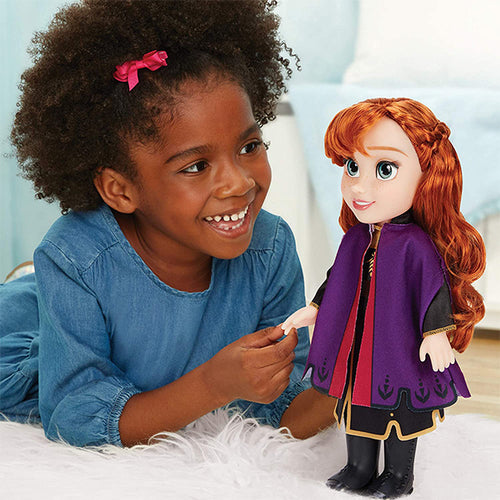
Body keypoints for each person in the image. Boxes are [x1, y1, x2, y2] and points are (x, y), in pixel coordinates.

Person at [0, 0, 336, 448]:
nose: (239, 183)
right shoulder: (75, 257)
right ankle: (30, 283)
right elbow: (74, 417)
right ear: (121, 190)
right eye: (196, 166)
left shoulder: (270, 248)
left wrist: (359, 372)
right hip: (24, 333)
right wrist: (213, 385)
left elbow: (282, 404)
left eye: (249, 146)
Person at [282, 98, 486, 498]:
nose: (359, 186)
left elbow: (433, 289)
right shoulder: (356, 238)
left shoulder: (416, 246)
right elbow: (339, 279)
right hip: (358, 350)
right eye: (352, 166)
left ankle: (398, 475)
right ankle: (358, 467)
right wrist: (315, 308)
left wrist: (436, 333)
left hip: (398, 350)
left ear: (427, 177)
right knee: (355, 405)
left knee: (398, 413)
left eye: (385, 169)